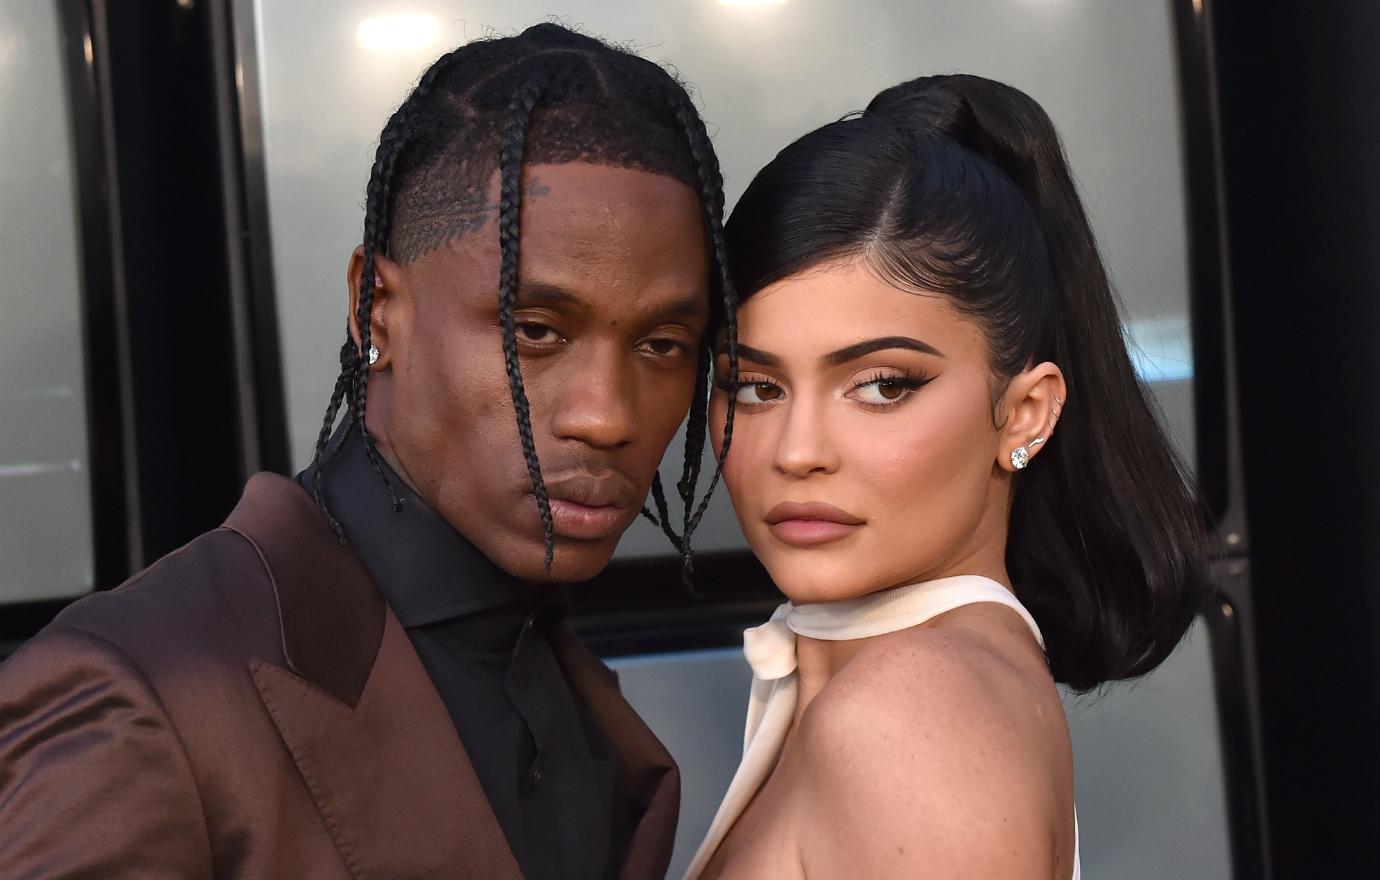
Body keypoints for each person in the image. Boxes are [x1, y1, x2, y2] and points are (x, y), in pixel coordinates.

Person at [0, 24, 740, 879]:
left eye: (662, 345)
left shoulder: (566, 689)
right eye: (534, 330)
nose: (608, 417)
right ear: (375, 309)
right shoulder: (139, 697)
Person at [684, 74, 1210, 879]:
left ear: (1026, 412)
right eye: (756, 387)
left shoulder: (908, 710)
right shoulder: (917, 683)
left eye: (884, 385)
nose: (796, 451)